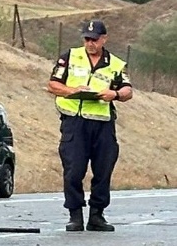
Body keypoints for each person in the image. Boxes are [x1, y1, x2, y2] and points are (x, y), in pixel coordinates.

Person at [47, 19, 133, 232]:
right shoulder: (70, 56)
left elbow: (128, 90)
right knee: (74, 170)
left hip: (102, 123)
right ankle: (75, 214)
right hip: (75, 122)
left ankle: (97, 215)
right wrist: (72, 90)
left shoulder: (114, 63)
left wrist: (114, 94)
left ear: (104, 39)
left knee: (103, 170)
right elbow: (53, 84)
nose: (90, 43)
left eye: (94, 39)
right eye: (87, 39)